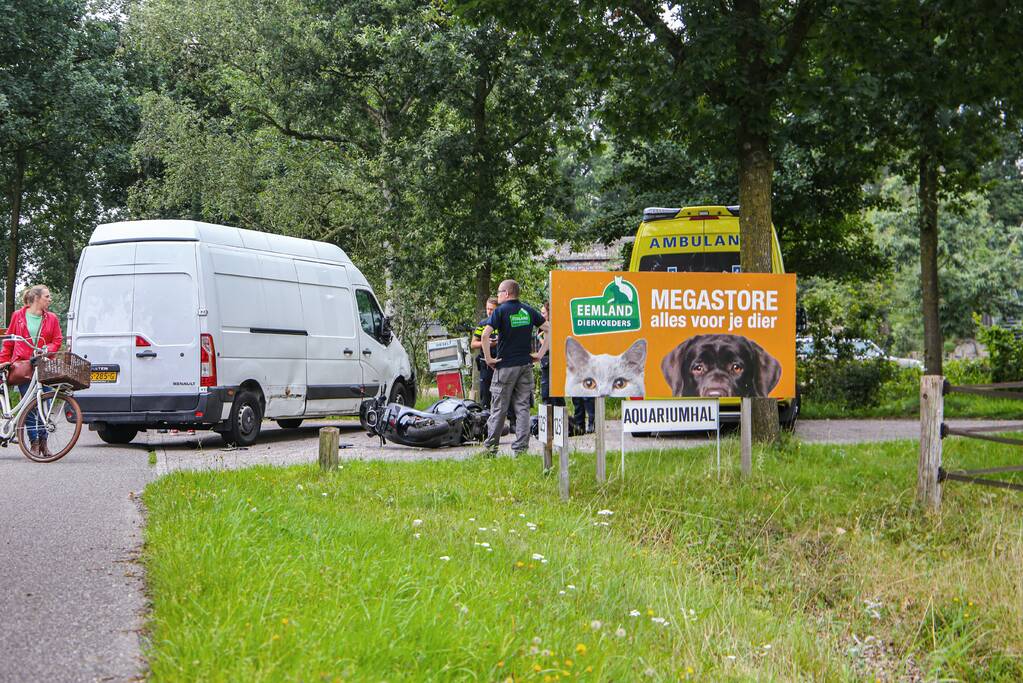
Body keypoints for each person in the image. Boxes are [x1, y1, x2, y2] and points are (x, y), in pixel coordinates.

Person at [481, 279, 549, 455]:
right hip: (525, 366)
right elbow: (550, 328)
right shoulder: (527, 310)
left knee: (498, 408)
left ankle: (490, 449)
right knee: (523, 408)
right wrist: (540, 354)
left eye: (498, 292)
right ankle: (521, 450)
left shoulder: (500, 311)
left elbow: (485, 335)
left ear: (507, 293)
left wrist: (489, 358)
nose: (497, 296)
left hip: (505, 367)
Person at [0, 285, 64, 456]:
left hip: (43, 364)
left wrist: (46, 348)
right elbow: (9, 341)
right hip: (23, 366)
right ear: (37, 298)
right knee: (29, 406)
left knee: (46, 404)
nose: (50, 300)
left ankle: (44, 443)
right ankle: (34, 443)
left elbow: (57, 340)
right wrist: (3, 362)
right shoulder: (18, 316)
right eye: (47, 297)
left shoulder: (51, 318)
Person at [471, 296, 515, 429]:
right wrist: (487, 343)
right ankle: (487, 424)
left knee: (508, 392)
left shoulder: (504, 322)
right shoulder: (483, 324)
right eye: (488, 309)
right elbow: (473, 344)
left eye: (492, 309)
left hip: (503, 362)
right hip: (486, 364)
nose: (490, 312)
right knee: (486, 394)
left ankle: (512, 422)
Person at [538, 301, 564, 407]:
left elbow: (548, 345)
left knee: (555, 393)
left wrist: (539, 337)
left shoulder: (555, 327)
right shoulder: (542, 326)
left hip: (553, 362)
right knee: (546, 391)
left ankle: (560, 417)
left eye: (543, 313)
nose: (541, 315)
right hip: (545, 362)